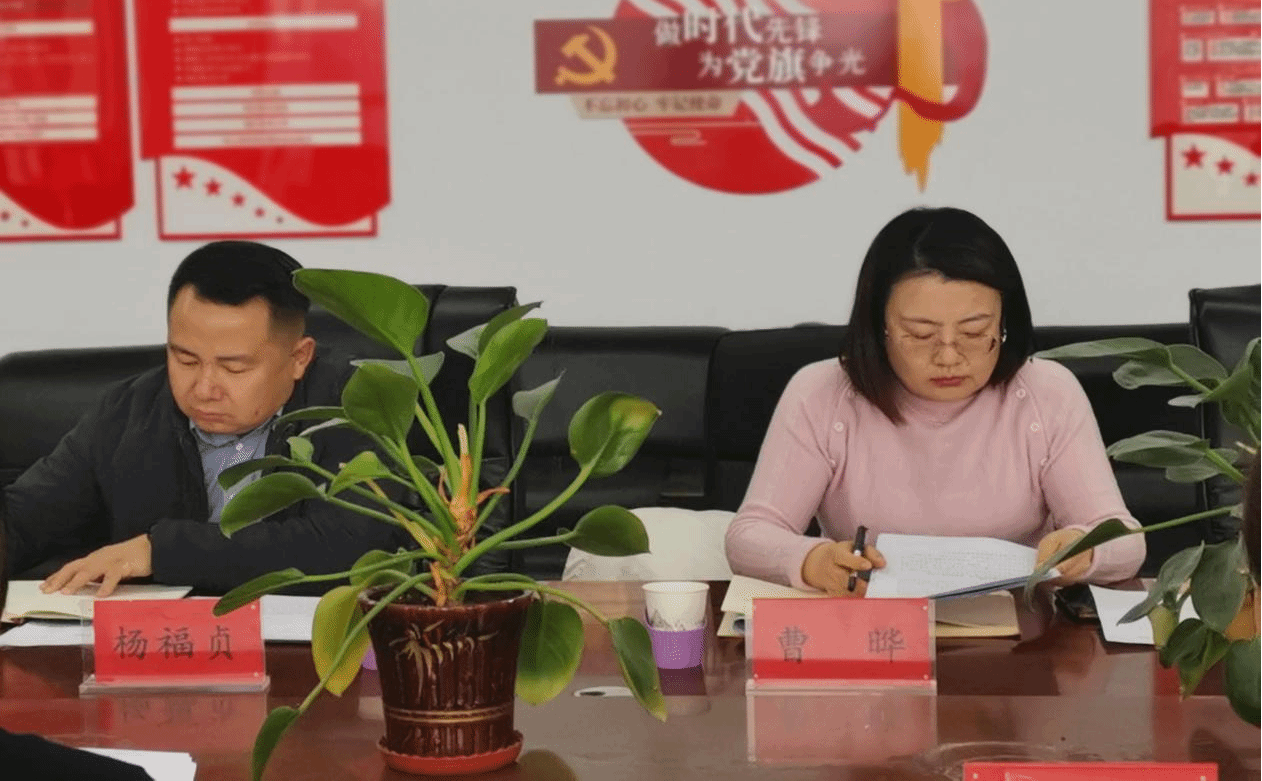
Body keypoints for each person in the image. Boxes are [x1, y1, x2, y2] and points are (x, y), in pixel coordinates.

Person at [724, 207, 1145, 595]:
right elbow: (750, 536)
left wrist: (1085, 547)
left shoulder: (1046, 393)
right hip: (869, 625)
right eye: (920, 334)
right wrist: (813, 561)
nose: (948, 356)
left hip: (1019, 628)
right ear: (878, 328)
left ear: (1005, 323)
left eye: (974, 331)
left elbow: (1126, 540)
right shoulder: (823, 393)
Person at [1, 241, 405, 596]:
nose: (204, 388)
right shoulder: (127, 411)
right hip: (159, 646)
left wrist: (160, 552)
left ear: (299, 357)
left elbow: (351, 544)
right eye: (185, 359)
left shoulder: (357, 403)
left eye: (234, 367)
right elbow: (23, 520)